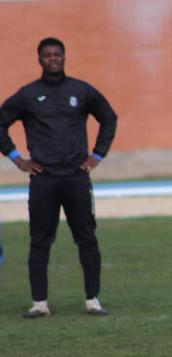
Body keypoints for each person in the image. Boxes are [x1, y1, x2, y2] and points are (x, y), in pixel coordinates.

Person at [0, 37, 117, 318]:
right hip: (44, 180)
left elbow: (109, 117)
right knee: (40, 241)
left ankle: (93, 300)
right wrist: (17, 159)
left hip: (76, 177)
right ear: (39, 59)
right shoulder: (28, 95)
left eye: (57, 54)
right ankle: (39, 303)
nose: (53, 58)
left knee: (87, 238)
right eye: (47, 55)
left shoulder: (81, 90)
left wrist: (97, 155)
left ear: (64, 57)